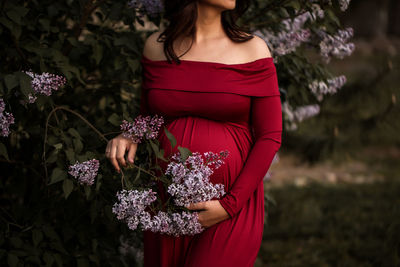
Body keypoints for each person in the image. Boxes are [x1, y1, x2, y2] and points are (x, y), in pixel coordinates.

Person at [105, 0, 282, 266]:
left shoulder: (252, 49)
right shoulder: (156, 47)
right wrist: (130, 134)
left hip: (230, 204)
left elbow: (270, 135)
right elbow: (151, 115)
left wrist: (228, 206)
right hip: (168, 201)